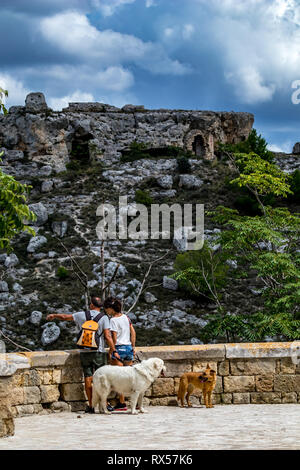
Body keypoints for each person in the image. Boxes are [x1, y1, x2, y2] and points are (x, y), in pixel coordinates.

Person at [46, 294, 119, 413]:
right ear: (100, 307)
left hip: (84, 351)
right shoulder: (104, 318)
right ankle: (104, 404)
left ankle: (91, 405)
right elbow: (107, 336)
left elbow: (65, 317)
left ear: (91, 305)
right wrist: (113, 349)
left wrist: (54, 315)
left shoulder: (81, 315)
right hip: (98, 351)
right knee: (102, 379)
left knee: (88, 378)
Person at [103, 296, 136, 412]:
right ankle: (134, 402)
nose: (106, 311)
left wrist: (112, 350)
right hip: (128, 348)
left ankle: (122, 403)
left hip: (119, 348)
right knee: (131, 377)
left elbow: (114, 338)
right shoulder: (126, 318)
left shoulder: (113, 320)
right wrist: (133, 347)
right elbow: (133, 332)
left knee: (119, 379)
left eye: (107, 308)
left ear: (111, 309)